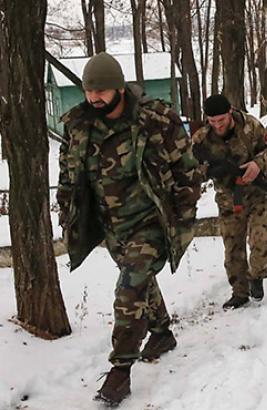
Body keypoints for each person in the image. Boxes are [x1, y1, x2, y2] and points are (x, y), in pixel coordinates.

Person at [56, 52, 201, 406]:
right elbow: (67, 176)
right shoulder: (78, 125)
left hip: (152, 220)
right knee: (139, 281)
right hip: (111, 226)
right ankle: (162, 332)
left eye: (102, 91)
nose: (95, 98)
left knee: (129, 287)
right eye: (90, 91)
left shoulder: (155, 119)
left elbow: (188, 168)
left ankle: (120, 371)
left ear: (119, 88)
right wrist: (68, 212)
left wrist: (184, 209)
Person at [192, 94, 267, 309]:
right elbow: (190, 168)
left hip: (258, 192)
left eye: (221, 120)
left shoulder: (250, 125)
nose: (217, 125)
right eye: (212, 121)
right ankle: (240, 292)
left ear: (230, 112)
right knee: (232, 248)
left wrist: (258, 164)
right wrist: (211, 170)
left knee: (260, 240)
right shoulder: (201, 138)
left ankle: (256, 277)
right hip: (228, 197)